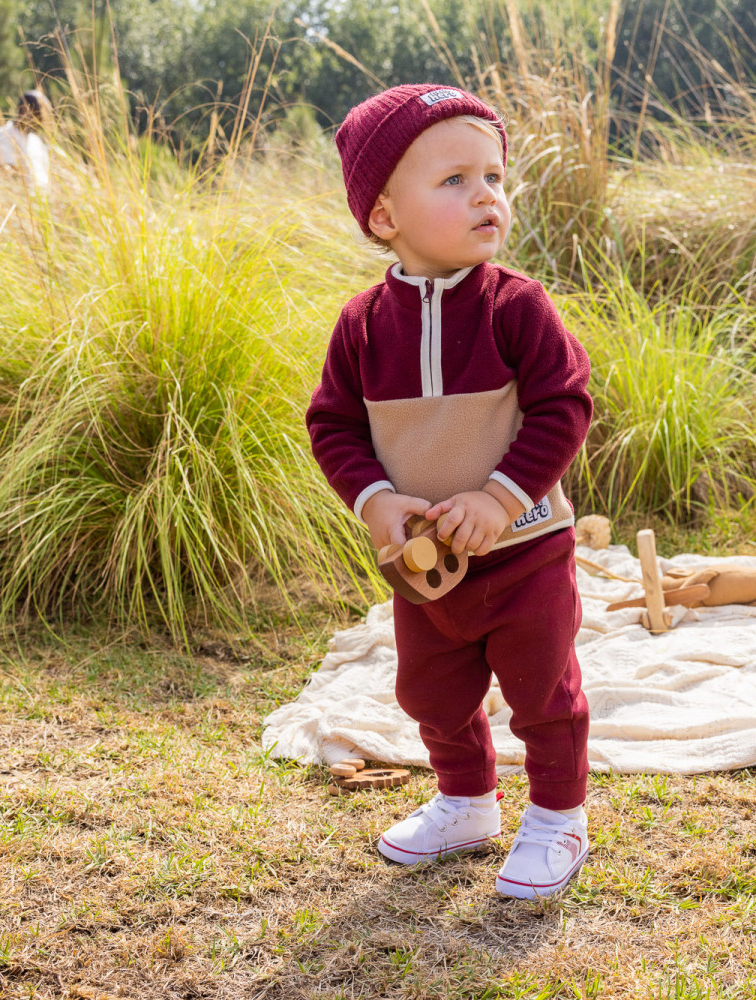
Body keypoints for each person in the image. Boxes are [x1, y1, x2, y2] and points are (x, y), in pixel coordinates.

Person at [305, 84, 594, 900]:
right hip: (423, 562)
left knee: (542, 688)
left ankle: (557, 816)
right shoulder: (363, 325)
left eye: (494, 177)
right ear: (384, 216)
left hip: (524, 548)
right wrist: (375, 501)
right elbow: (333, 425)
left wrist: (501, 498)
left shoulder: (516, 306)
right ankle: (466, 800)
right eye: (456, 180)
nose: (487, 197)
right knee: (430, 689)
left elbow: (564, 405)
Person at [0, 90, 52, 195]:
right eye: (40, 113)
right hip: (20, 202)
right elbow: (8, 174)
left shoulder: (36, 141)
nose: (44, 120)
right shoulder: (3, 136)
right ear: (24, 110)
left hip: (45, 202)